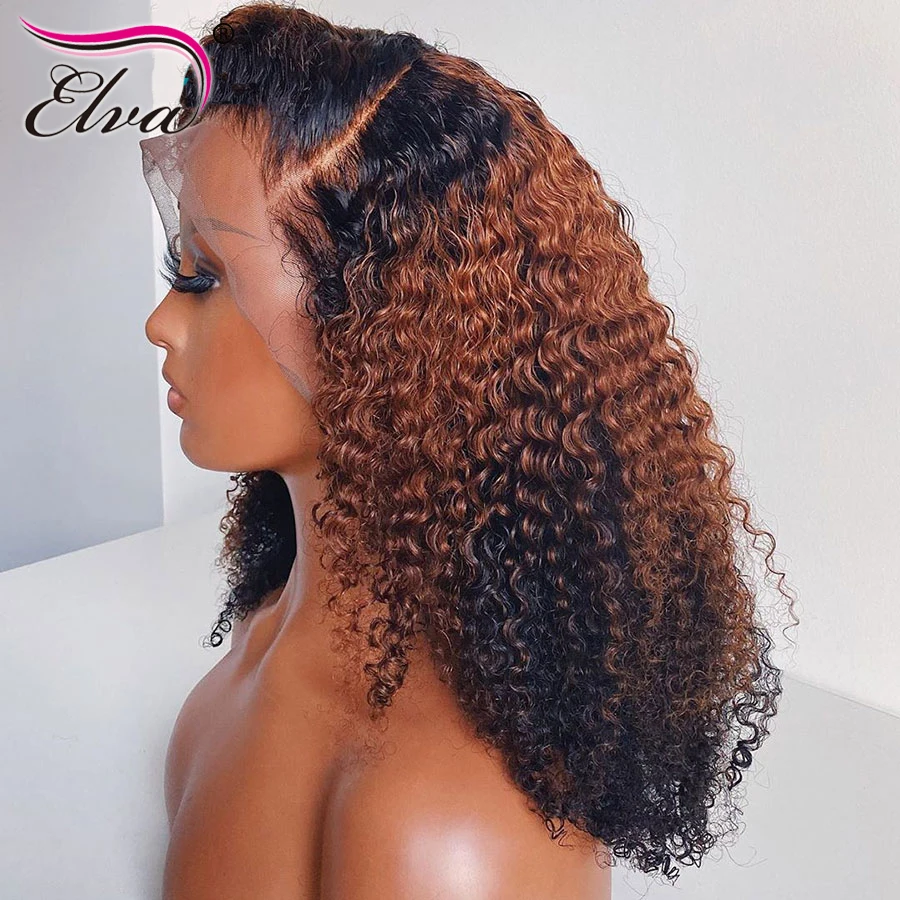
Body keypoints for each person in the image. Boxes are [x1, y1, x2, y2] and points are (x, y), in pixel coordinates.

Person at [142, 3, 797, 898]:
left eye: (205, 276)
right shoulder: (261, 651)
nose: (161, 322)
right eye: (178, 268)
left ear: (384, 329)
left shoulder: (442, 836)